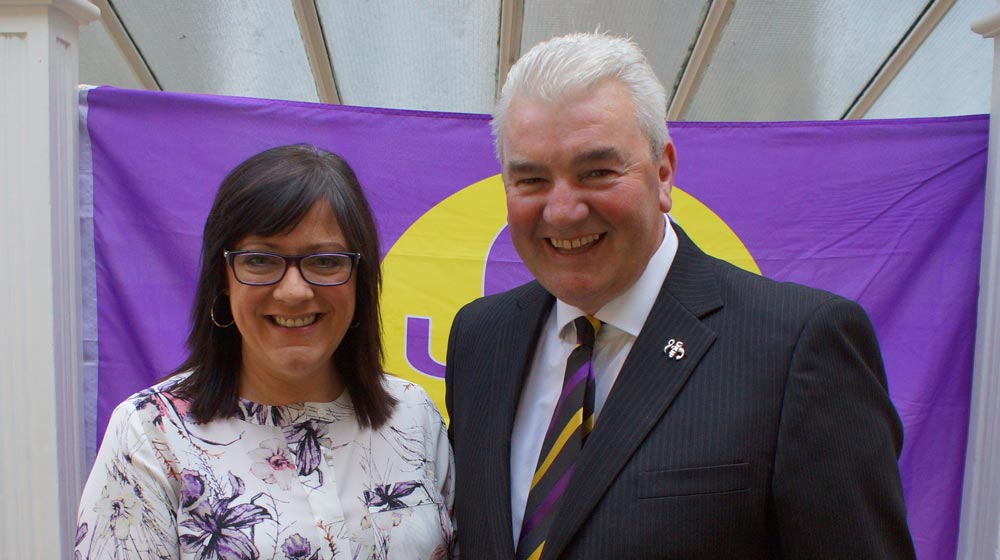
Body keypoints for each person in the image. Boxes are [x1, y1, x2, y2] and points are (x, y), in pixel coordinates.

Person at [445, 33, 915, 559]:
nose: (562, 211)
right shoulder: (479, 339)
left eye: (596, 172)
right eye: (531, 179)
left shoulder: (798, 348)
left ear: (663, 172)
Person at [76, 145, 456, 559]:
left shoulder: (414, 418)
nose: (294, 290)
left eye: (325, 261)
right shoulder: (151, 435)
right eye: (260, 260)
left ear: (359, 278)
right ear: (223, 277)